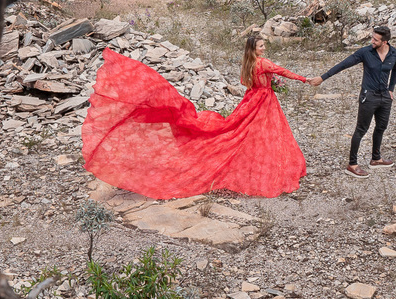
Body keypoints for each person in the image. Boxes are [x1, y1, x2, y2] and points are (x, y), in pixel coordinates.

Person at [80, 37, 313, 199]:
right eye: (261, 45)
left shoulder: (250, 63)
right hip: (263, 101)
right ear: (255, 48)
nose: (264, 48)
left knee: (242, 130)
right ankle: (269, 166)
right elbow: (283, 72)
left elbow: (246, 83)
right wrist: (304, 79)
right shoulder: (264, 63)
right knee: (265, 133)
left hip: (251, 99)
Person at [311, 25, 396, 178]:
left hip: (384, 96)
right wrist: (322, 78)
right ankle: (352, 164)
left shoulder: (394, 53)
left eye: (375, 39)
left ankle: (376, 159)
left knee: (381, 127)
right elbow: (343, 65)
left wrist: (391, 88)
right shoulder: (365, 52)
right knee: (361, 129)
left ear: (384, 42)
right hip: (369, 96)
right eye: (372, 37)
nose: (372, 41)